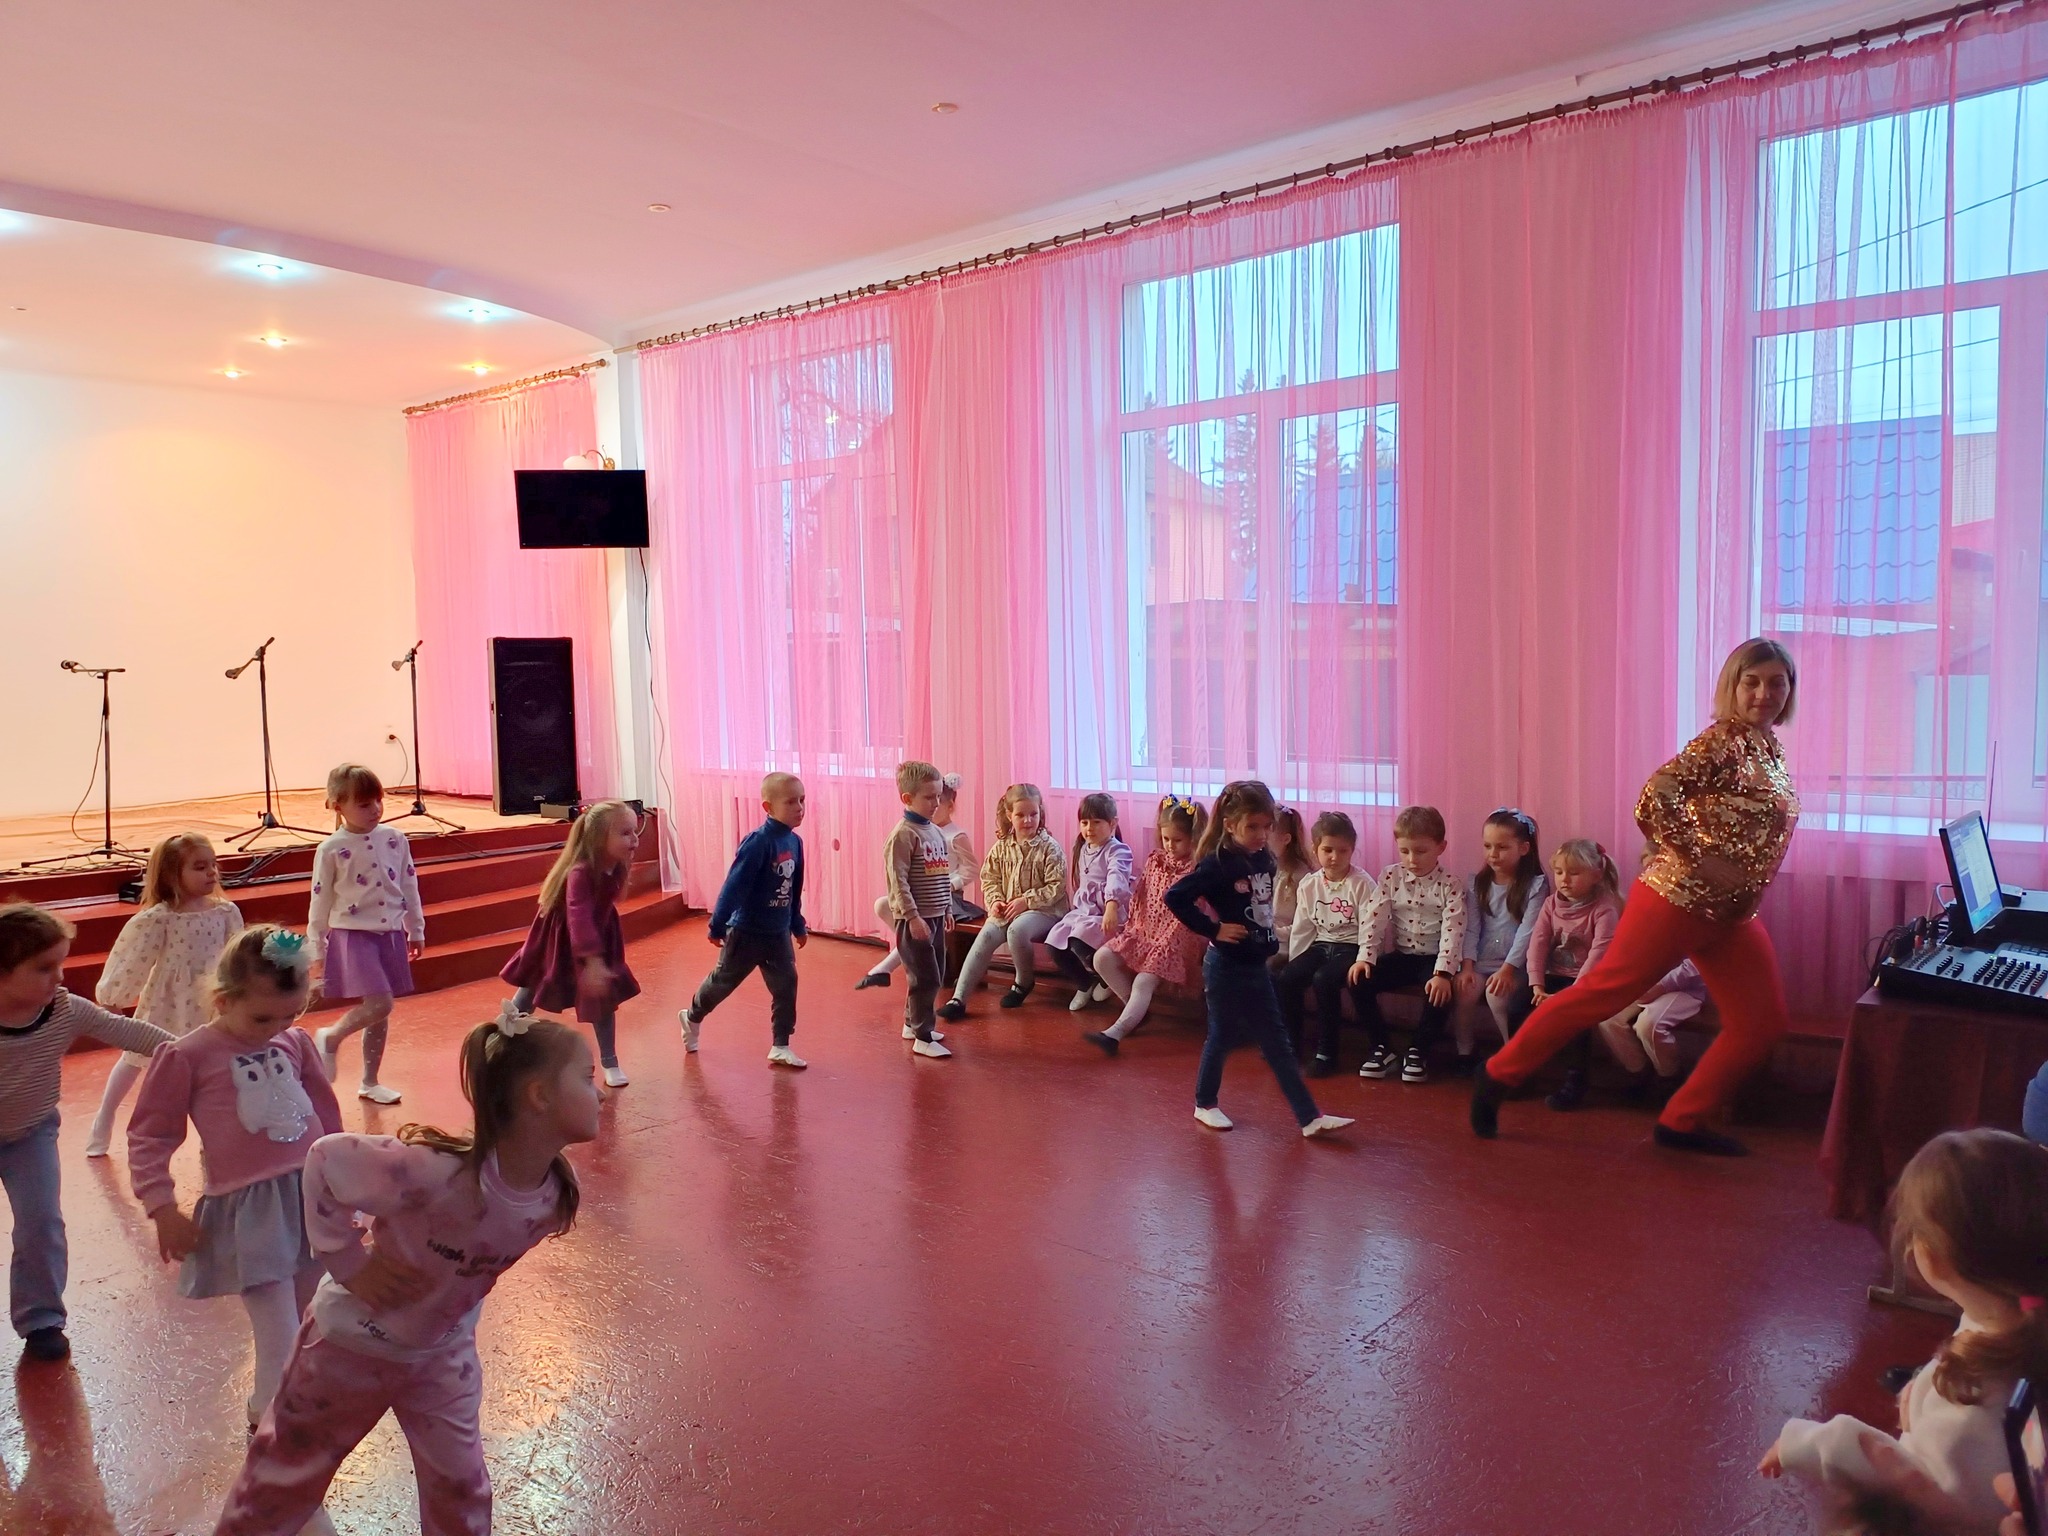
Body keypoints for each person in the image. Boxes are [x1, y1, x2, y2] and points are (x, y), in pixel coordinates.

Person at [211, 1005, 598, 1536]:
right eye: (587, 1077)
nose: (600, 1093)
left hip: (440, 1358)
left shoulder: (553, 1196)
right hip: (347, 1349)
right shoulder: (432, 1172)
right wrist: (348, 1262)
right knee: (282, 1480)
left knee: (462, 1491)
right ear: (539, 1095)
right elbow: (324, 1158)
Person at [1473, 638, 1800, 1155]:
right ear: (1732, 687)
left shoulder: (1768, 748)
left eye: (1776, 683)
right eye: (1751, 682)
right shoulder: (1722, 741)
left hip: (1731, 912)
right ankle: (1496, 1076)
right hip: (1676, 900)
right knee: (1599, 995)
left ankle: (1681, 1121)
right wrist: (1701, 857)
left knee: (1762, 1021)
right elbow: (1654, 800)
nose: (1764, 693)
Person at [1760, 1129, 2048, 1535]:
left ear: (1933, 1257)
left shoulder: (1971, 1398)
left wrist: (1813, 1444)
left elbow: (1918, 1487)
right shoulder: (2020, 1320)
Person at [127, 925, 342, 1433]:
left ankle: (287, 1403)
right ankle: (272, 1424)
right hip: (250, 1213)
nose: (278, 1028)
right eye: (263, 1017)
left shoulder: (294, 1042)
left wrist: (345, 1179)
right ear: (223, 1001)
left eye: (292, 1014)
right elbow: (150, 1134)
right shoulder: (187, 1055)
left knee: (310, 1315)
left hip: (309, 1198)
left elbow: (326, 1115)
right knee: (277, 1330)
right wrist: (162, 1207)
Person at [0, 904, 172, 1363]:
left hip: (29, 1134)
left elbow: (128, 1031)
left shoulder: (63, 1009)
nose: (59, 977)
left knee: (42, 1223)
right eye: (44, 968)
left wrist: (195, 1049)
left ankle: (41, 1319)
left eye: (59, 964)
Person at [1165, 781, 1353, 1138]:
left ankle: (1309, 1118)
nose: (1261, 834)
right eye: (1252, 827)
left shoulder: (1264, 858)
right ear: (1229, 824)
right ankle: (1205, 1103)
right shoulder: (1217, 864)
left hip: (1255, 964)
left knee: (1277, 1041)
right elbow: (1175, 897)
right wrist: (1214, 928)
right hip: (1225, 965)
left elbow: (1260, 907)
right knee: (1222, 1035)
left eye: (1267, 826)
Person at [86, 832, 243, 1156]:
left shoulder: (226, 912)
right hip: (168, 1002)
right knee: (135, 1059)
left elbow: (235, 955)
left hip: (210, 1002)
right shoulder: (159, 918)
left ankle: (211, 1134)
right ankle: (105, 1116)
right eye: (199, 867)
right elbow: (133, 957)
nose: (211, 873)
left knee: (211, 1068)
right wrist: (114, 997)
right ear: (172, 874)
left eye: (213, 865)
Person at [500, 801, 642, 1088]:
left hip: (596, 933)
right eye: (625, 833)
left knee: (603, 998)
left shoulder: (614, 866)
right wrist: (592, 958)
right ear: (599, 838)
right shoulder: (580, 872)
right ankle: (504, 1033)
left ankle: (610, 1061)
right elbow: (578, 914)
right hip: (562, 937)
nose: (635, 840)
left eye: (635, 832)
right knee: (536, 982)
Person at [307, 764, 424, 1106]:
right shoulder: (331, 849)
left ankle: (370, 1081)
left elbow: (408, 884)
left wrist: (415, 928)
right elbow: (320, 899)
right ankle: (331, 1036)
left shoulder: (394, 839)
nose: (374, 810)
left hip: (389, 933)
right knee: (380, 1003)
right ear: (337, 806)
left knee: (379, 1010)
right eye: (363, 804)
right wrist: (317, 946)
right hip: (354, 935)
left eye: (377, 801)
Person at [678, 774, 809, 1069]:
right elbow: (734, 886)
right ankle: (692, 1015)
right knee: (722, 983)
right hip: (746, 932)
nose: (800, 807)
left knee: (786, 985)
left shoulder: (795, 842)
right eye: (791, 802)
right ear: (768, 807)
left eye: (802, 800)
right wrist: (718, 924)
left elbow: (794, 888)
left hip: (777, 933)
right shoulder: (758, 843)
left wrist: (797, 924)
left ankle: (780, 1045)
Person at [1350, 806, 1468, 1084]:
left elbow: (1454, 930)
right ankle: (1381, 1047)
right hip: (1403, 956)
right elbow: (1374, 918)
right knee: (1358, 980)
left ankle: (1418, 1051)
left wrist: (1443, 973)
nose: (1412, 859)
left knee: (1440, 992)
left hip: (1434, 959)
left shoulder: (1450, 885)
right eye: (1404, 851)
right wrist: (1365, 957)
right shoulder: (1391, 877)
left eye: (1421, 851)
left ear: (1441, 847)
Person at [1083, 795, 1209, 1055]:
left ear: (1193, 837)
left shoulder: (1197, 869)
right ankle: (1136, 1012)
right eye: (1166, 839)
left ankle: (1114, 1033)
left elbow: (1193, 912)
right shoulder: (1155, 860)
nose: (1170, 845)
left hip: (1175, 939)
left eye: (1177, 840)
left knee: (1143, 981)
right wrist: (1132, 928)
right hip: (1145, 930)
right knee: (1102, 959)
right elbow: (1141, 895)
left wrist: (1166, 941)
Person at [940, 784, 1068, 1019]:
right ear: (1009, 815)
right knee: (987, 935)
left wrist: (1026, 901)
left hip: (1045, 910)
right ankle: (959, 998)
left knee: (1017, 930)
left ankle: (1023, 982)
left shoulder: (1050, 848)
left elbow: (1056, 886)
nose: (1028, 820)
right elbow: (989, 879)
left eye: (1033, 814)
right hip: (1008, 908)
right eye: (1020, 815)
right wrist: (996, 901)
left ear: (1040, 812)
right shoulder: (1001, 847)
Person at [1524, 839, 1626, 1112]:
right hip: (1554, 975)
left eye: (1574, 873)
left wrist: (1574, 991)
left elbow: (1599, 953)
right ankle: (1524, 1072)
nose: (1564, 880)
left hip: (1588, 981)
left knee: (1574, 1020)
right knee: (1517, 1005)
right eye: (1559, 872)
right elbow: (1538, 943)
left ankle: (1575, 1082)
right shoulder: (1550, 904)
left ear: (1596, 875)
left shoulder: (1604, 908)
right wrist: (1536, 984)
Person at [856, 773, 981, 989]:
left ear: (949, 806)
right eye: (929, 799)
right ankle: (919, 950)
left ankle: (884, 968)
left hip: (947, 897)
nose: (933, 806)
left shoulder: (956, 835)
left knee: (916, 924)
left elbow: (971, 869)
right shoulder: (921, 831)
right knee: (883, 904)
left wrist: (951, 883)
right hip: (922, 894)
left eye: (938, 801)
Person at [1278, 811, 1377, 1075]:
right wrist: (1297, 961)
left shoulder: (1362, 884)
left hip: (1351, 948)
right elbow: (1303, 926)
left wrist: (1366, 958)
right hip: (1321, 944)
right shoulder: (1309, 884)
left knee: (1324, 979)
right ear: (1315, 849)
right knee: (1287, 977)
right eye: (1328, 850)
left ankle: (1327, 1053)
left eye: (1343, 851)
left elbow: (1372, 926)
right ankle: (1290, 1045)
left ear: (1352, 850)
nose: (1335, 857)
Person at [1453, 809, 1545, 1070]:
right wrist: (1467, 966)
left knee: (1497, 995)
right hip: (1482, 959)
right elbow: (1471, 928)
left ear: (1524, 848)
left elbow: (1528, 932)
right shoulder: (1479, 883)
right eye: (1487, 846)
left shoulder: (1535, 885)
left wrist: (1507, 969)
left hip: (1515, 965)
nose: (1493, 854)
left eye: (1502, 847)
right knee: (1465, 989)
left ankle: (1512, 1054)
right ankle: (1465, 1051)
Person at [885, 761, 956, 1058]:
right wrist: (912, 918)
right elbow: (898, 881)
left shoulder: (935, 832)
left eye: (938, 796)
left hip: (936, 916)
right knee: (924, 978)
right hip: (916, 920)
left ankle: (911, 1024)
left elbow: (942, 875)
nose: (935, 802)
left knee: (933, 973)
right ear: (907, 798)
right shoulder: (903, 835)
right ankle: (923, 1037)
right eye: (928, 797)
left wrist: (947, 908)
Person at [1048, 793, 1134, 1014]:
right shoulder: (1084, 848)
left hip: (1106, 913)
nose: (1089, 828)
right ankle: (1084, 984)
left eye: (1096, 822)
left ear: (1112, 823)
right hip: (1084, 912)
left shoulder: (1118, 850)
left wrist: (1112, 905)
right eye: (1084, 822)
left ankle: (1107, 978)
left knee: (1079, 940)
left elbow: (1117, 876)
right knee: (1055, 942)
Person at [1596, 959, 1707, 1104]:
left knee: (1648, 1025)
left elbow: (1694, 966)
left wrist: (1660, 986)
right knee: (1608, 1019)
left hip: (1685, 988)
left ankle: (1669, 1076)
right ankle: (1638, 1072)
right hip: (1645, 982)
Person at [1267, 804, 1313, 975]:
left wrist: (1274, 932)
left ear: (1286, 839)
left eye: (1268, 834)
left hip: (1288, 942)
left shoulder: (1301, 875)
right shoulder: (1263, 866)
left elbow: (1304, 925)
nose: (1261, 838)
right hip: (1264, 936)